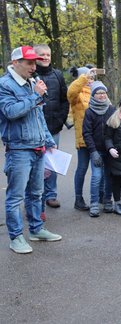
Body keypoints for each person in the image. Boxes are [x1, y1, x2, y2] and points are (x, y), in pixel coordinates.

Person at [0, 46, 61, 254]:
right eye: (29, 63)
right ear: (15, 63)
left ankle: (36, 230)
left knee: (37, 192)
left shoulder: (32, 82)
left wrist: (48, 140)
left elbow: (38, 116)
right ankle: (16, 237)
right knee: (16, 197)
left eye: (35, 62)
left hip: (38, 147)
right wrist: (35, 96)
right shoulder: (4, 85)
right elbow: (10, 112)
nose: (34, 66)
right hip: (18, 150)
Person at [34, 44, 69, 212]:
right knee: (35, 164)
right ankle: (35, 197)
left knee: (52, 163)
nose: (46, 57)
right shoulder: (30, 76)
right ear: (35, 57)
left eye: (48, 54)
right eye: (42, 55)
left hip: (54, 127)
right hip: (35, 129)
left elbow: (64, 99)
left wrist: (61, 119)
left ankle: (51, 195)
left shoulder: (58, 75)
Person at [82, 81, 115, 217]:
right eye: (98, 93)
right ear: (93, 95)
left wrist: (114, 147)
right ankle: (94, 202)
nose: (101, 96)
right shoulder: (89, 112)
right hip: (96, 150)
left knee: (109, 176)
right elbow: (87, 133)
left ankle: (107, 200)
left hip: (110, 150)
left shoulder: (111, 110)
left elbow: (116, 129)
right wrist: (93, 151)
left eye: (103, 93)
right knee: (96, 176)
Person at [67, 67, 95, 211]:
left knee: (99, 169)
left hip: (98, 138)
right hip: (84, 138)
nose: (90, 79)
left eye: (91, 77)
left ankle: (100, 196)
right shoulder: (76, 94)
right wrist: (84, 78)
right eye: (87, 77)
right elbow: (70, 92)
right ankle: (78, 199)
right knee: (82, 168)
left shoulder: (96, 90)